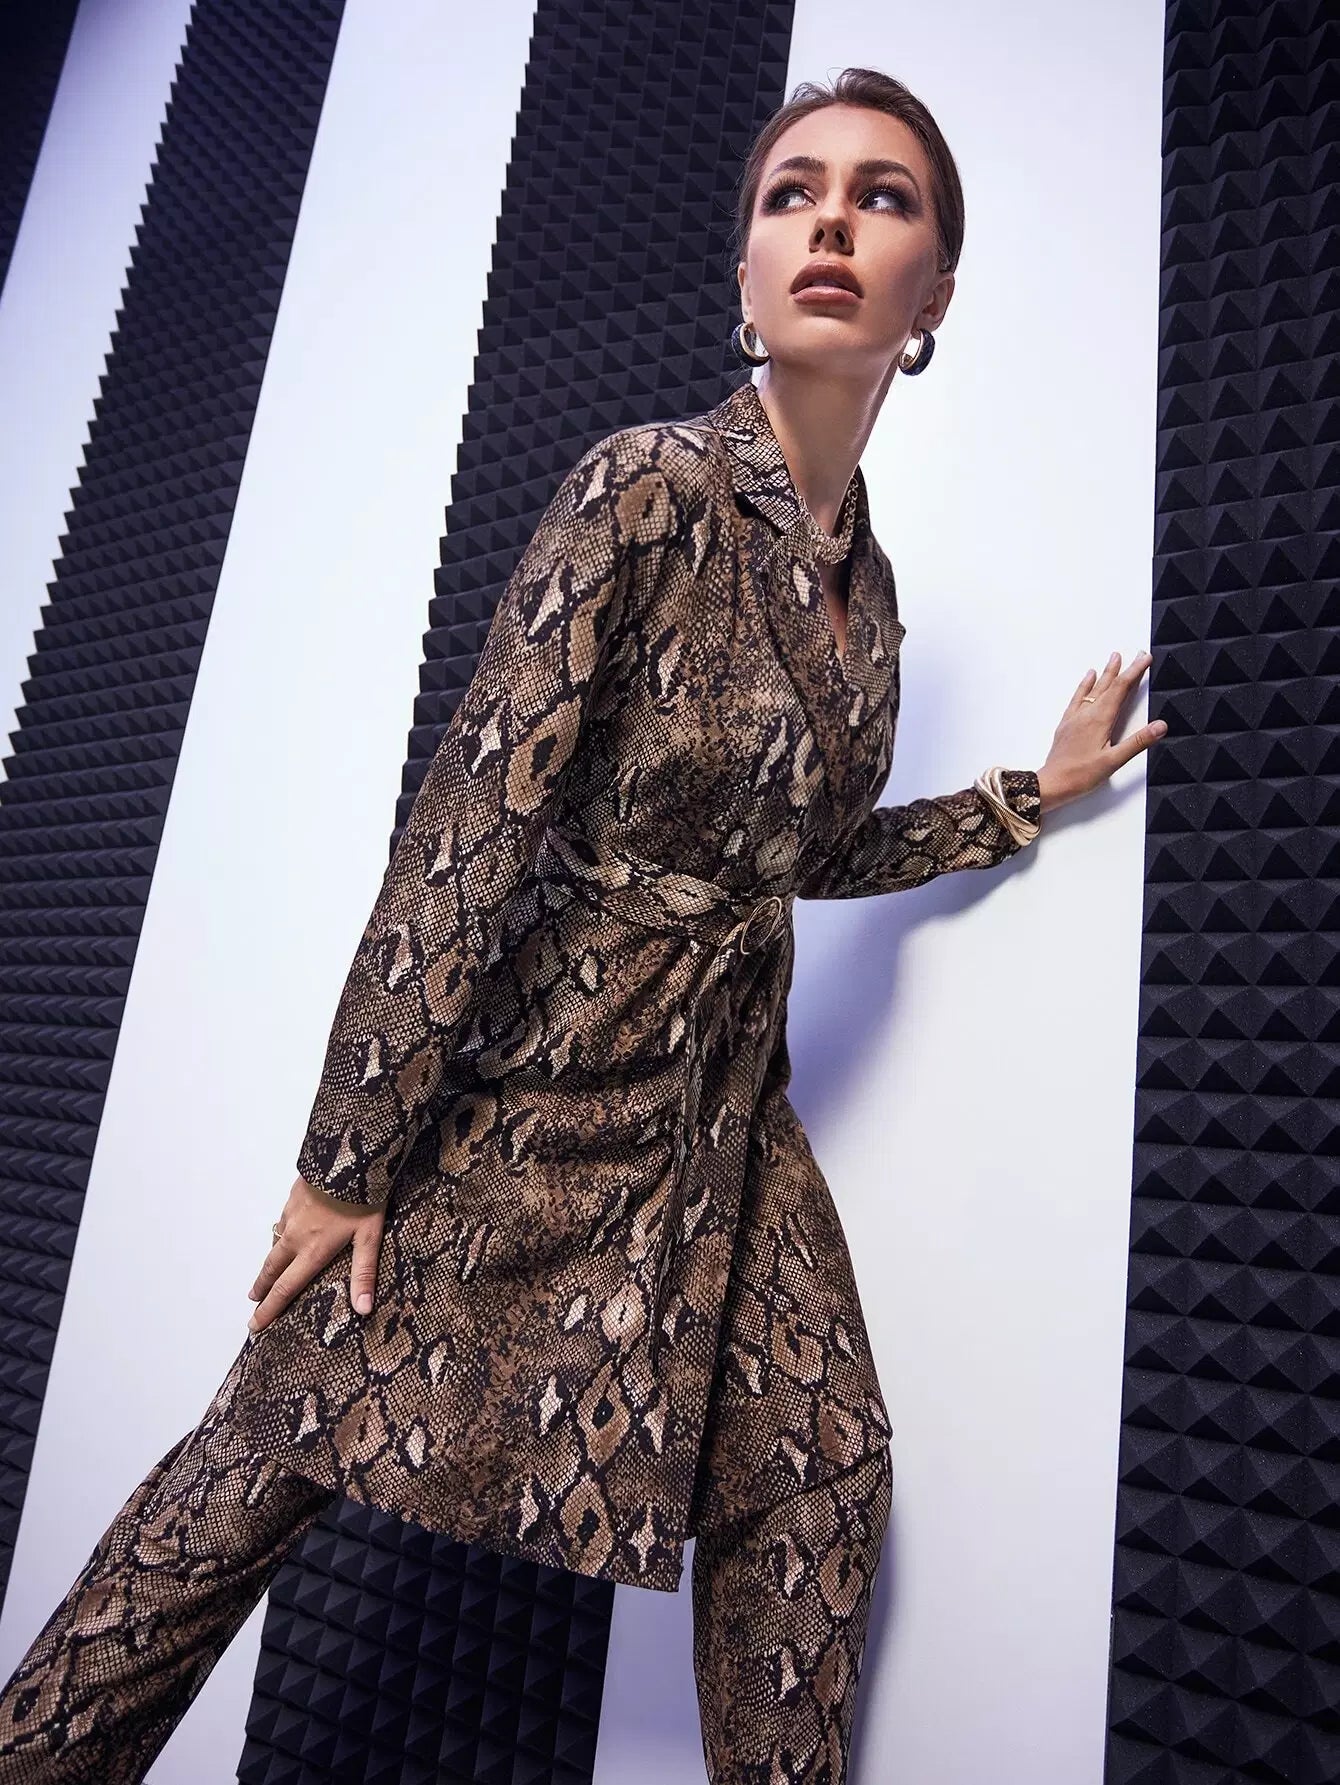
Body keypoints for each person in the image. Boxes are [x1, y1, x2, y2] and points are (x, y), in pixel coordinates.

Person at [0, 64, 1163, 1785]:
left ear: (933, 299)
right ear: (745, 267)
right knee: (258, 1470)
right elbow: (474, 817)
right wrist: (347, 1158)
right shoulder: (644, 485)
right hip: (532, 1088)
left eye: (884, 197)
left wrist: (1022, 798)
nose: (831, 221)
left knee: (821, 1461)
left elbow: (803, 851)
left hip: (718, 1115)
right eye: (791, 193)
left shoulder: (872, 596)